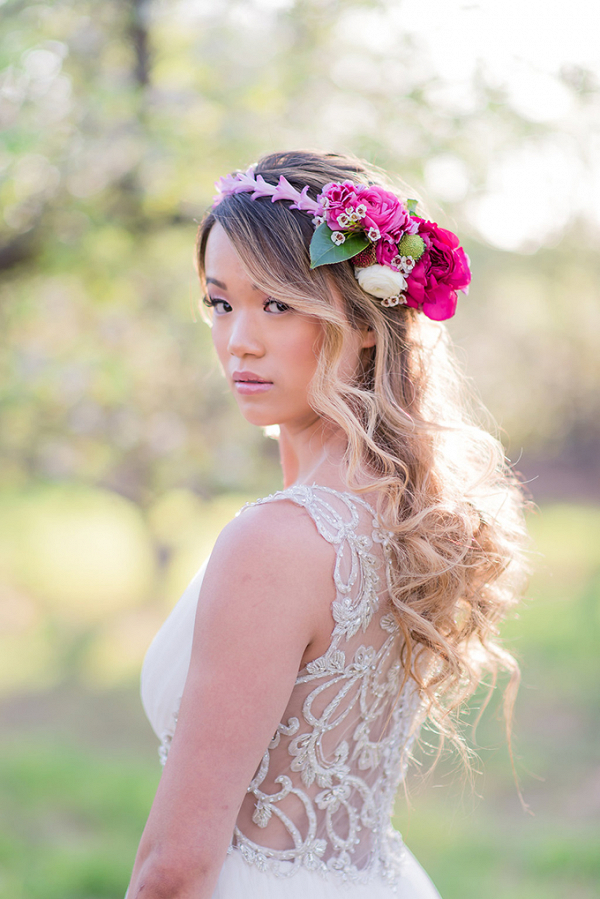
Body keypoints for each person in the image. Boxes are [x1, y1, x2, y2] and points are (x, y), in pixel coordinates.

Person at [126, 151, 528, 899]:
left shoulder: (276, 541)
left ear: (366, 320)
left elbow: (174, 872)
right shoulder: (410, 512)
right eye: (221, 302)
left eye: (277, 304)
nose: (239, 339)